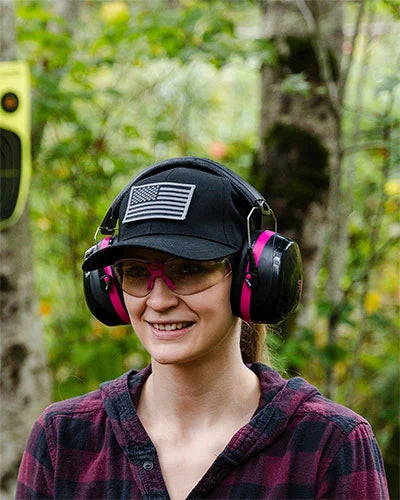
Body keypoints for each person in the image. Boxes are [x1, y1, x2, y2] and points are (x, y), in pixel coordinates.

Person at [17, 157, 389, 499]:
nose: (159, 300)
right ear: (109, 289)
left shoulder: (328, 444)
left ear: (251, 278)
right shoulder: (63, 440)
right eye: (137, 272)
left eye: (190, 269)